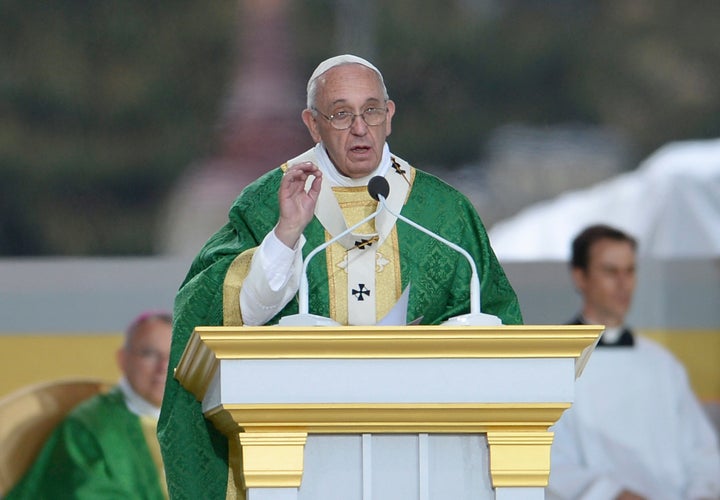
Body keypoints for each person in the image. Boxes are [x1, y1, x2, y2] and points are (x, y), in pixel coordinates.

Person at [158, 54, 523, 498]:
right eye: (341, 113)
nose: (359, 128)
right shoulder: (271, 201)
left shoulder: (443, 214)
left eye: (371, 110)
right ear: (312, 124)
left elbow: (496, 324)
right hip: (299, 462)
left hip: (424, 464)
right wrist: (286, 234)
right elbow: (213, 311)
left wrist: (429, 351)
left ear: (389, 116)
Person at [547, 224, 720, 500]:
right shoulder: (551, 364)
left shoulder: (662, 364)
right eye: (610, 271)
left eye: (630, 271)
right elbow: (545, 460)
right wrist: (610, 493)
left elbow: (702, 452)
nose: (623, 284)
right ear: (580, 277)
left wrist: (701, 493)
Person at [6, 311, 173, 500]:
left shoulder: (199, 423)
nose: (163, 367)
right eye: (149, 354)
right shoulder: (91, 427)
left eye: (174, 355)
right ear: (123, 359)